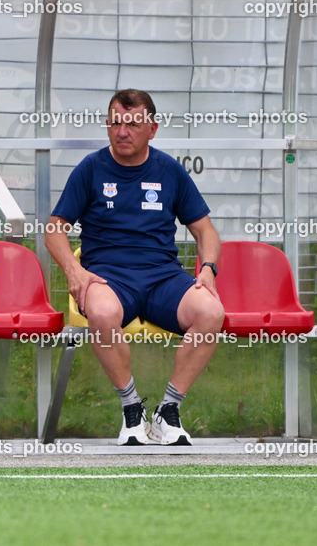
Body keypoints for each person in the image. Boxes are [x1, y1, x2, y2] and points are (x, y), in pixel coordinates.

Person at [45, 89, 225, 446]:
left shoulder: (169, 170)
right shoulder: (91, 169)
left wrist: (207, 269)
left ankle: (168, 411)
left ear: (152, 129)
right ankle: (132, 410)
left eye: (132, 123)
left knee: (211, 311)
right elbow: (54, 230)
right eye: (115, 123)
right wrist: (75, 272)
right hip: (109, 277)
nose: (122, 131)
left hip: (163, 278)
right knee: (100, 310)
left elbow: (205, 230)